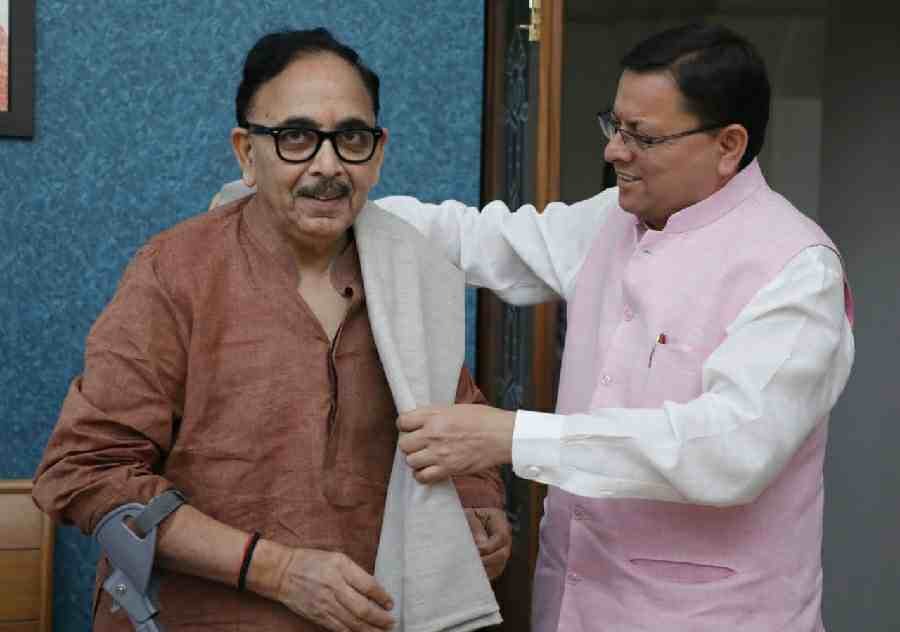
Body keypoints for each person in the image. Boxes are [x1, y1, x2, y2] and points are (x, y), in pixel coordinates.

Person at [376, 23, 854, 632]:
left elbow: (730, 450)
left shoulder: (796, 268)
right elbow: (478, 240)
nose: (614, 152)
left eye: (642, 137)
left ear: (728, 145)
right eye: (615, 126)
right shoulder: (611, 218)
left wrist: (514, 437)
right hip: (572, 606)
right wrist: (343, 203)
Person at [32, 28, 509, 632]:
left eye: (351, 138)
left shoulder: (411, 273)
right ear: (246, 153)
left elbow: (458, 423)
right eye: (296, 138)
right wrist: (278, 571)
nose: (328, 166)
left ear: (378, 153)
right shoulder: (175, 273)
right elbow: (87, 472)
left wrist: (477, 504)